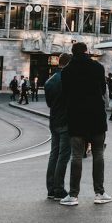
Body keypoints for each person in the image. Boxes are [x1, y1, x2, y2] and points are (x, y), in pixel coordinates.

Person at [59, 42, 111, 205]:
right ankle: (99, 193)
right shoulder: (98, 67)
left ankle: (73, 195)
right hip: (96, 117)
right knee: (98, 154)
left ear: (72, 53)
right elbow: (103, 90)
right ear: (87, 51)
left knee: (76, 157)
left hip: (76, 118)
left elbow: (65, 94)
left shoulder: (67, 71)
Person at [44, 54, 72, 201]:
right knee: (63, 156)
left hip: (54, 120)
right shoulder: (69, 80)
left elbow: (49, 104)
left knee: (54, 154)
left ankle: (50, 188)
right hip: (66, 121)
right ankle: (59, 188)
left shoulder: (50, 81)